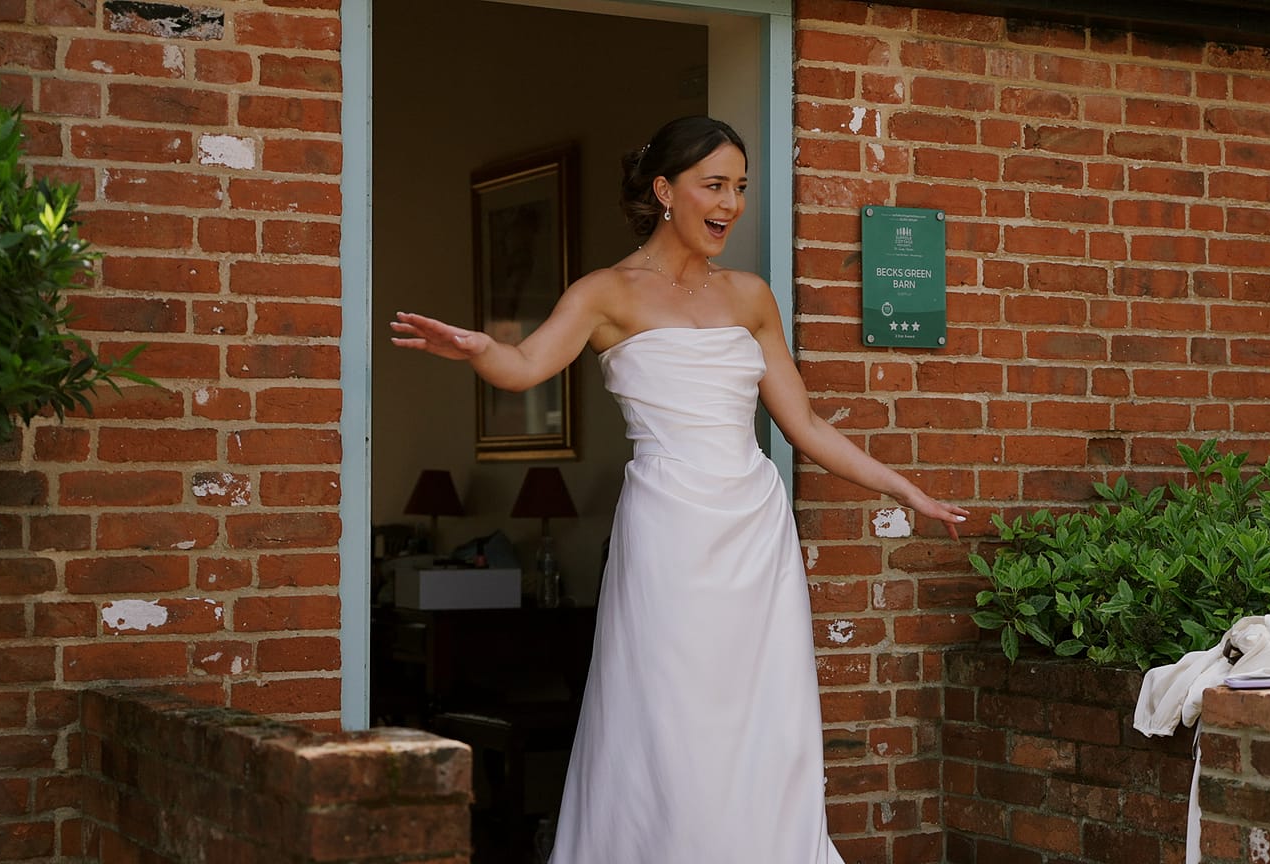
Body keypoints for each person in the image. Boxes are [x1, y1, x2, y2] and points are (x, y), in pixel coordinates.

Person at [390, 116, 969, 864]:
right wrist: (478, 350)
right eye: (714, 185)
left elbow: (804, 424)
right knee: (670, 712)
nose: (731, 203)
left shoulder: (750, 296)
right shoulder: (605, 292)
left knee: (763, 715)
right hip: (669, 524)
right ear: (665, 191)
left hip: (754, 526)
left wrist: (903, 489)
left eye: (740, 187)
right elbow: (526, 366)